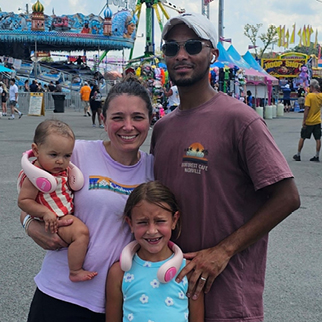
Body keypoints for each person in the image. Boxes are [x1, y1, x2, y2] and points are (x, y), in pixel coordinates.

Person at [150, 12, 300, 322]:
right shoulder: (162, 128)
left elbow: (287, 197)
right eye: (171, 47)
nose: (181, 55)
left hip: (228, 296)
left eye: (193, 46)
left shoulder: (240, 120)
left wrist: (223, 251)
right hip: (170, 295)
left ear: (213, 54)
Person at [20, 76, 154, 322]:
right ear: (103, 120)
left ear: (150, 120)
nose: (128, 126)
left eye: (137, 117)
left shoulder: (154, 169)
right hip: (60, 293)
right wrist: (29, 224)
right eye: (117, 117)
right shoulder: (75, 153)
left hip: (118, 300)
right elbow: (29, 196)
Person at [105, 181, 204, 322]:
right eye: (142, 222)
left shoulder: (189, 271)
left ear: (174, 220)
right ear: (130, 223)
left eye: (160, 221)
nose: (152, 231)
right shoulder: (119, 272)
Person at [18, 119, 98, 282]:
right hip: (55, 219)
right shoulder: (36, 176)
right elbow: (24, 201)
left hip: (62, 214)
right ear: (36, 150)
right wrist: (44, 213)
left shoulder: (60, 170)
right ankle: (75, 271)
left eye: (67, 155)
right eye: (53, 154)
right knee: (81, 234)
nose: (61, 161)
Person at [293, 79, 322, 162]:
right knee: (318, 139)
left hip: (309, 121)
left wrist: (304, 121)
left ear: (312, 87)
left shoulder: (309, 96)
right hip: (317, 121)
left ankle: (298, 154)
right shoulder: (320, 96)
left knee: (302, 137)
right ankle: (317, 155)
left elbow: (307, 109)